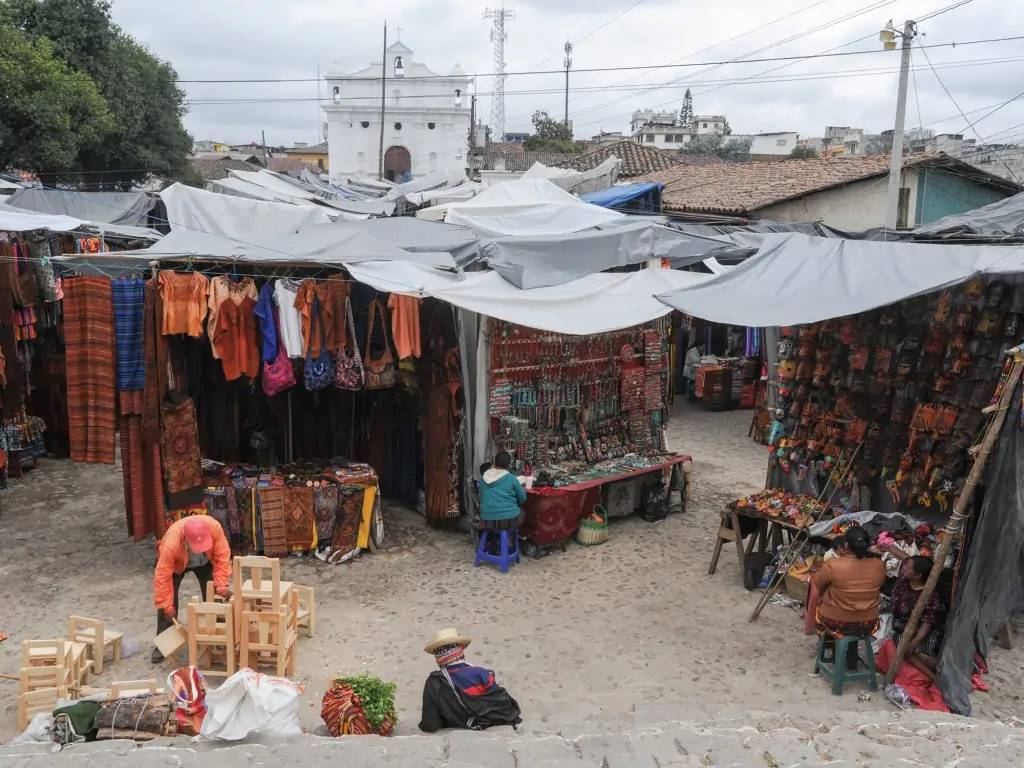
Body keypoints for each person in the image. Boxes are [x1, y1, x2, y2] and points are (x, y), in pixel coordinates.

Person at [151, 515, 232, 663]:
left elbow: (222, 555)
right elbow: (162, 577)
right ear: (185, 539)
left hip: (205, 561)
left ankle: (218, 636)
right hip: (176, 564)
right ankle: (163, 645)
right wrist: (167, 607)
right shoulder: (171, 544)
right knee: (167, 607)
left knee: (214, 596)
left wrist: (221, 585)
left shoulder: (214, 528)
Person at [419, 627, 522, 732]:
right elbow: (505, 707)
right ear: (460, 650)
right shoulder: (481, 674)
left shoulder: (434, 683)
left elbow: (430, 724)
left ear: (438, 656)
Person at [881, 547, 946, 682]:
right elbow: (905, 558)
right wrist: (888, 546)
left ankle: (933, 674)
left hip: (923, 632)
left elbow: (927, 624)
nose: (904, 568)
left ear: (918, 575)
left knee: (907, 648)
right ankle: (933, 675)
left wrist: (914, 643)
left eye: (908, 568)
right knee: (903, 644)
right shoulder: (905, 580)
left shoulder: (929, 596)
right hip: (902, 627)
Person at [812, 527, 886, 639]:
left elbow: (818, 585)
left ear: (846, 545)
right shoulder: (879, 565)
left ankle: (831, 648)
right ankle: (850, 652)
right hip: (868, 624)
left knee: (818, 604)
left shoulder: (832, 564)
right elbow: (879, 585)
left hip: (836, 623)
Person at [479, 451, 526, 531]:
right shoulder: (511, 478)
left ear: (494, 462)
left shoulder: (484, 478)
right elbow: (523, 498)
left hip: (486, 520)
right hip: (508, 521)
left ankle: (495, 538)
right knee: (523, 512)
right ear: (508, 464)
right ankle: (511, 540)